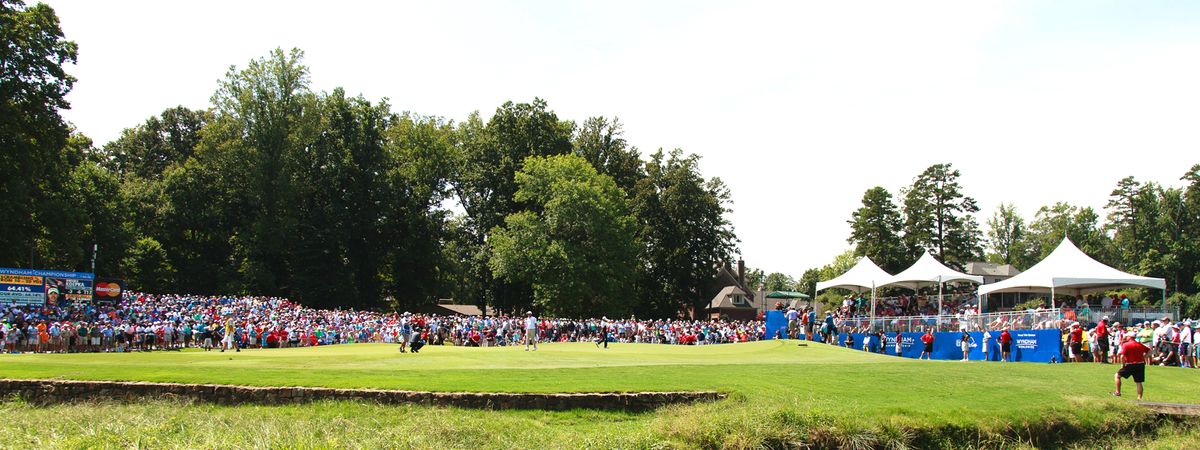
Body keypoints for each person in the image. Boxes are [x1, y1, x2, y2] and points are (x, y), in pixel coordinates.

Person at [1113, 335, 1150, 400]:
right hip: (1140, 364)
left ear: (1129, 337)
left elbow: (1122, 356)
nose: (1126, 337)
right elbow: (1149, 351)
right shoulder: (1139, 344)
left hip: (1130, 364)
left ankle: (1117, 392)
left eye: (1127, 336)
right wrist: (1144, 357)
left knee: (1117, 375)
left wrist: (1123, 364)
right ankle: (1139, 398)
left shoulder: (1126, 345)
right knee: (1139, 382)